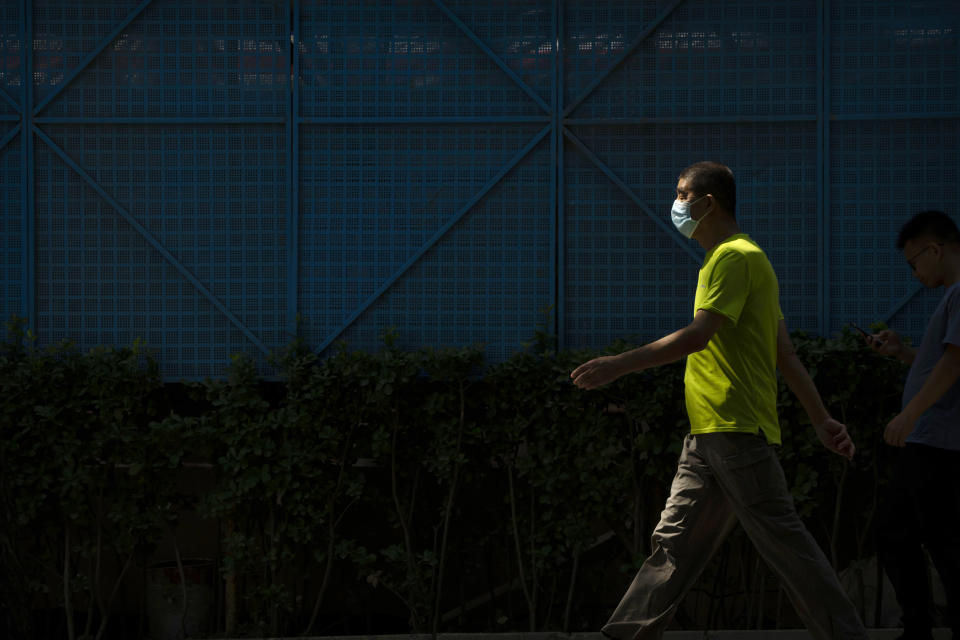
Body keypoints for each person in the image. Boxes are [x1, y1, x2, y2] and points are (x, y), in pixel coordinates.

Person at [571, 161, 868, 639]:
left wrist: (618, 365)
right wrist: (821, 419)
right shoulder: (738, 259)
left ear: (709, 202)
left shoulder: (735, 258)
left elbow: (699, 335)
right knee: (673, 548)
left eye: (683, 194)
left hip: (735, 431)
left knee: (788, 549)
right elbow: (784, 353)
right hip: (709, 435)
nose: (677, 204)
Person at [863, 210, 960, 640]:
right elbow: (942, 361)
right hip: (932, 437)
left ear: (935, 249)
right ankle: (918, 625)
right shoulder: (952, 296)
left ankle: (919, 626)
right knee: (912, 532)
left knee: (922, 535)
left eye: (914, 262)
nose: (914, 272)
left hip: (937, 439)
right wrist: (902, 353)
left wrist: (910, 414)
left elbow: (956, 362)